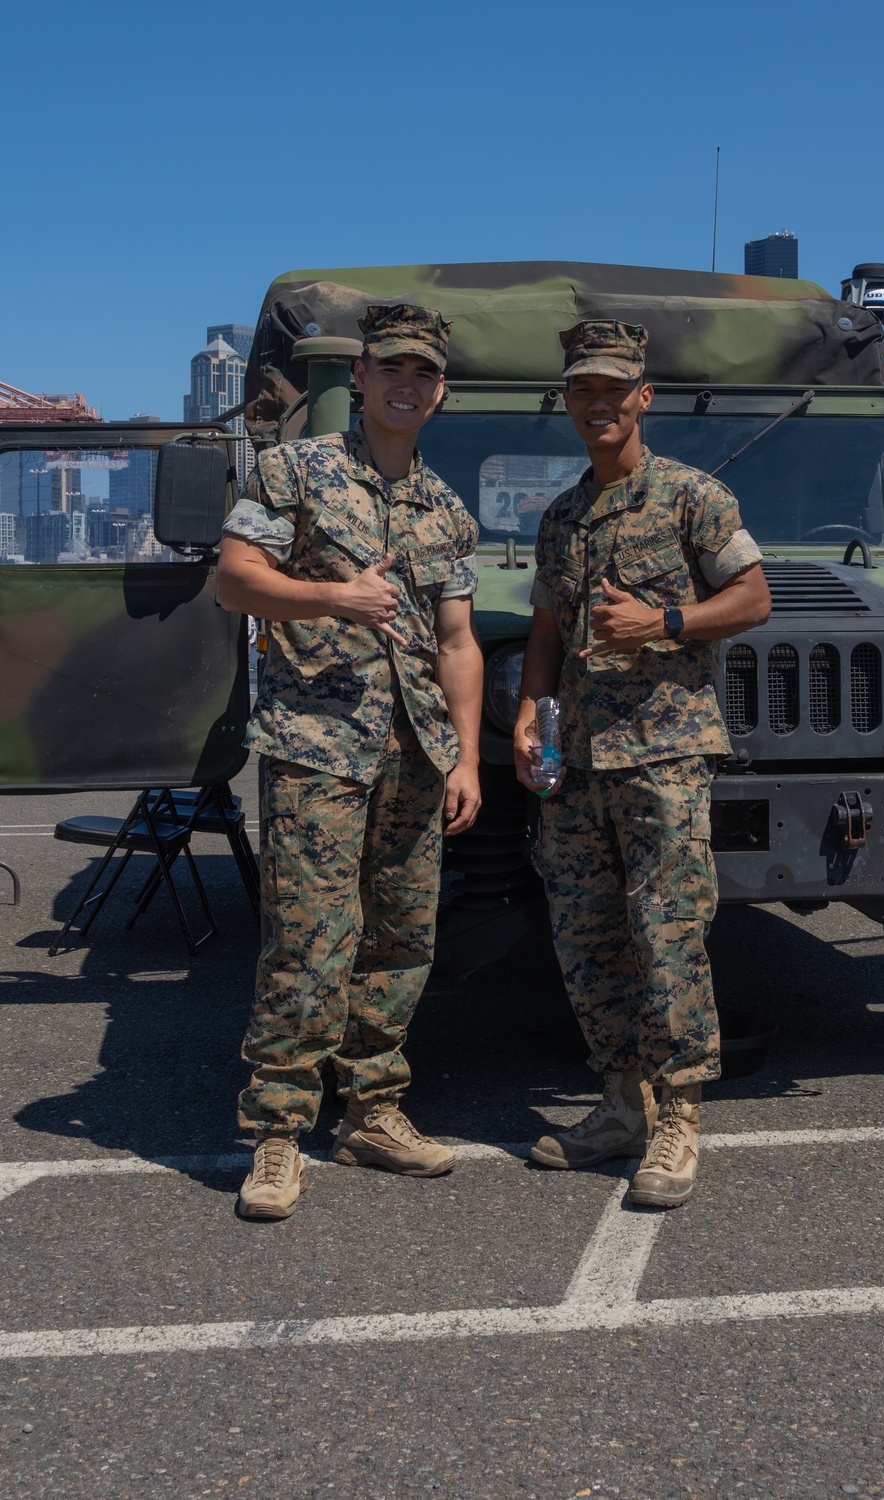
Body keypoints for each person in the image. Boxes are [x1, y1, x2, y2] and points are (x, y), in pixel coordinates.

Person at [217, 304, 483, 1219]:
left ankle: (372, 1110)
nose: (408, 386)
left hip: (416, 753)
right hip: (317, 747)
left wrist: (466, 759)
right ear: (362, 377)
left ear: (439, 391)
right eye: (393, 370)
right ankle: (278, 1134)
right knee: (307, 938)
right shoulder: (293, 470)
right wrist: (335, 595)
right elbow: (233, 579)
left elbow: (458, 642)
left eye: (426, 375)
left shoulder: (447, 510)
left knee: (402, 939)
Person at [513, 320, 770, 1209]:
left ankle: (680, 1119)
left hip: (666, 751)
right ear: (569, 402)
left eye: (612, 389)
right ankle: (621, 1104)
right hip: (577, 762)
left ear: (642, 397)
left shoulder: (695, 497)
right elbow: (546, 629)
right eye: (582, 390)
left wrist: (663, 623)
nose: (597, 404)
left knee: (668, 934)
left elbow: (752, 598)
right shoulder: (560, 517)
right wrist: (531, 715)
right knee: (587, 936)